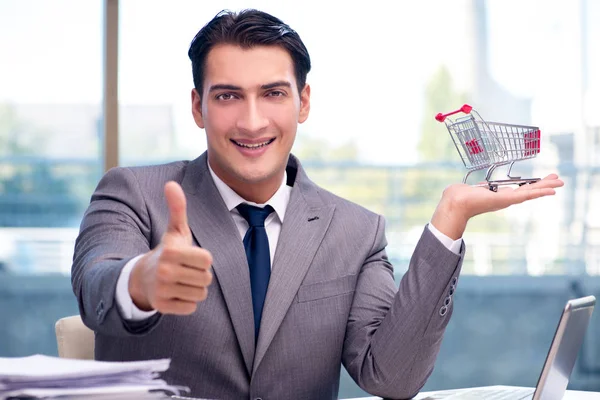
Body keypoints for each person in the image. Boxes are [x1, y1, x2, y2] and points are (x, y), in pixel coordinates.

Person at [71, 9, 563, 400]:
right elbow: (98, 282)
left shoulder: (356, 231)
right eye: (227, 97)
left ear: (303, 102)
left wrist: (450, 219)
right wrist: (141, 280)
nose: (252, 120)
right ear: (198, 106)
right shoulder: (133, 194)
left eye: (273, 93)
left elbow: (389, 376)